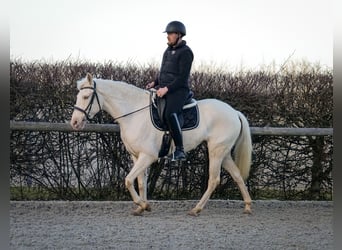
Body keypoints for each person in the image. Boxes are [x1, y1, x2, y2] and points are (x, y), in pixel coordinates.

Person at [146, 21, 194, 161]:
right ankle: (164, 144)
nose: (167, 36)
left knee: (169, 113)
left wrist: (166, 89)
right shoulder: (167, 51)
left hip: (179, 91)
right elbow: (164, 72)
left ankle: (180, 150)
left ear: (179, 35)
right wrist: (155, 82)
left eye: (170, 34)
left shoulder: (186, 52)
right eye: (167, 34)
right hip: (164, 89)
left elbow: (182, 78)